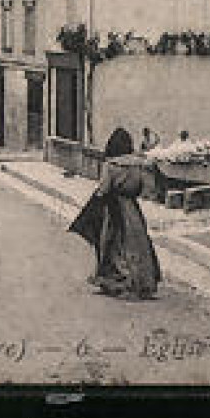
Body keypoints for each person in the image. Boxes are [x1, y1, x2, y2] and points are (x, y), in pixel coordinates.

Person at [68, 127, 160, 299]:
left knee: (111, 243)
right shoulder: (138, 163)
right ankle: (141, 281)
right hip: (132, 209)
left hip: (113, 207)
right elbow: (144, 189)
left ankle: (117, 279)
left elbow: (104, 189)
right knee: (138, 243)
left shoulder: (110, 165)